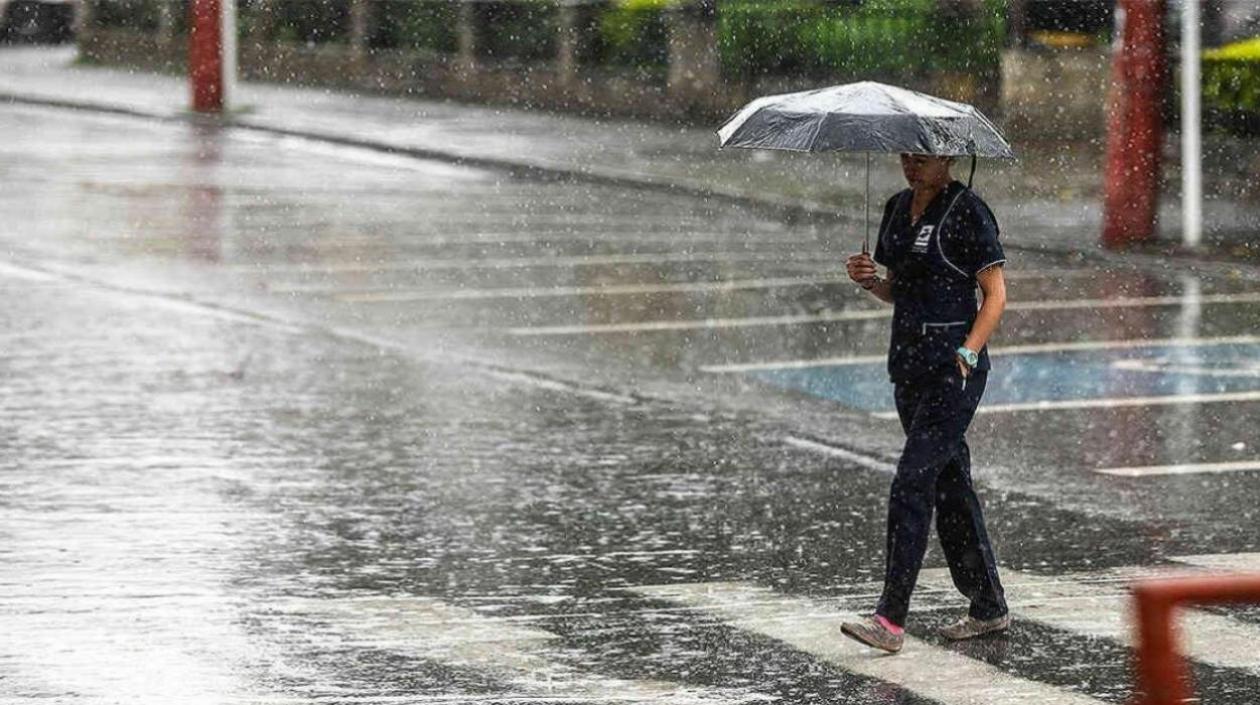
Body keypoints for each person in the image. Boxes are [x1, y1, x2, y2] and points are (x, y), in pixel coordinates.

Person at [839, 153, 1010, 654]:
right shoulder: (894, 208)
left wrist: (967, 352)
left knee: (912, 482)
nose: (912, 166)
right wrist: (870, 280)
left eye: (924, 158)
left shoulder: (968, 210)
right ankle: (988, 606)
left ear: (950, 156)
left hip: (952, 373)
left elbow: (995, 294)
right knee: (951, 485)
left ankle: (890, 618)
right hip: (908, 368)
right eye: (906, 156)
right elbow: (903, 290)